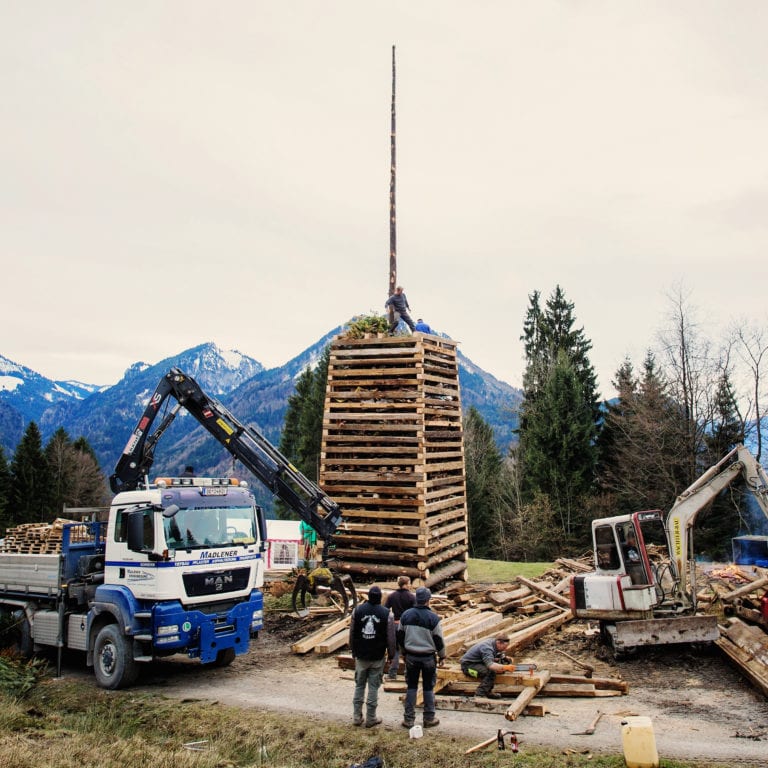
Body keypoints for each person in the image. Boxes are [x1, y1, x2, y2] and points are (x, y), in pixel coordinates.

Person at [397, 586, 446, 728]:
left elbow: (400, 636)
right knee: (428, 688)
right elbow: (438, 640)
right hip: (428, 658)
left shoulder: (406, 615)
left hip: (411, 656)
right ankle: (429, 718)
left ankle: (408, 719)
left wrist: (403, 653)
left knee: (411, 687)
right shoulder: (433, 618)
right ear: (428, 600)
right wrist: (442, 656)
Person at [348, 585, 395, 728]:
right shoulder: (387, 613)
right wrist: (391, 655)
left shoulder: (357, 611)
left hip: (361, 655)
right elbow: (390, 637)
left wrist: (353, 650)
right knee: (374, 687)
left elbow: (352, 633)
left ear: (368, 596)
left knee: (359, 686)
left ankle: (356, 717)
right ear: (380, 598)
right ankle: (371, 718)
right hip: (377, 655)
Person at [460, 634, 515, 699]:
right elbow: (490, 665)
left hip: (477, 662)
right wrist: (505, 667)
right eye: (504, 647)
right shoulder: (487, 647)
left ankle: (487, 692)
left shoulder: (493, 643)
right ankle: (480, 694)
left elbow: (498, 653)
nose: (505, 649)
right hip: (468, 666)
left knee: (495, 669)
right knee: (490, 672)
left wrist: (505, 658)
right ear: (499, 643)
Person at [384, 575, 415, 680]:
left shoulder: (392, 596)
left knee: (395, 650)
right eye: (409, 583)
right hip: (407, 626)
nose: (411, 585)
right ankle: (408, 674)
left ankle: (392, 674)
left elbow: (385, 609)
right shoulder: (411, 597)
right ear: (405, 584)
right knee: (408, 650)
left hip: (395, 624)